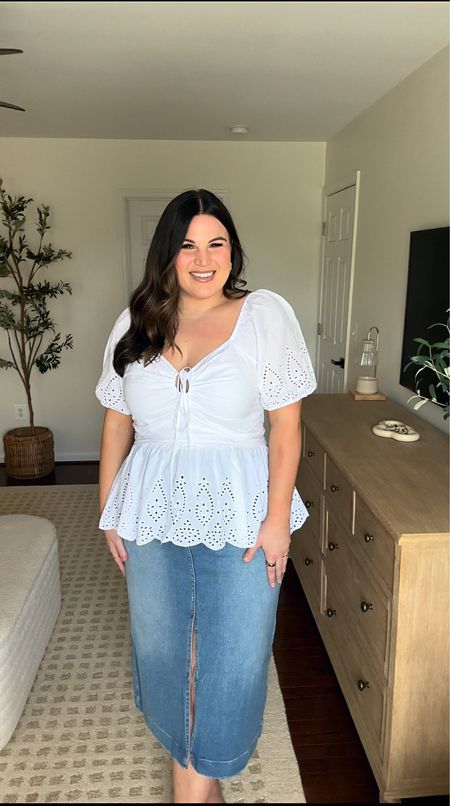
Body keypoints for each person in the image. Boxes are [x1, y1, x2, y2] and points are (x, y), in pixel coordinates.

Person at [95, 189, 317, 804]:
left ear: (232, 250)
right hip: (151, 514)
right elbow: (117, 420)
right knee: (168, 653)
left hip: (242, 517)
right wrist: (108, 508)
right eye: (187, 244)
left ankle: (197, 789)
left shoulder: (264, 316)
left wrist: (277, 522)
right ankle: (195, 793)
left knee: (230, 657)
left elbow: (286, 428)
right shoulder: (134, 322)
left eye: (215, 243)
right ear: (167, 254)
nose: (202, 258)